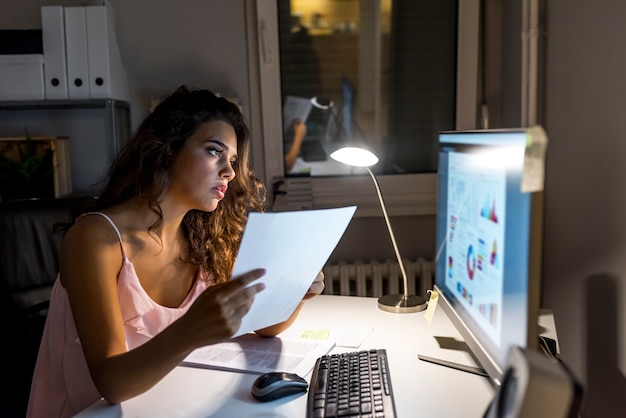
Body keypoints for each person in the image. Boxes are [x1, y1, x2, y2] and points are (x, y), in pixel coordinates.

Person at [26, 86, 325, 418]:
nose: (229, 171)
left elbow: (262, 326)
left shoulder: (202, 238)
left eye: (233, 161)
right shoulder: (95, 239)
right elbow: (111, 384)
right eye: (215, 151)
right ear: (169, 149)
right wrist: (191, 330)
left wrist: (297, 290)